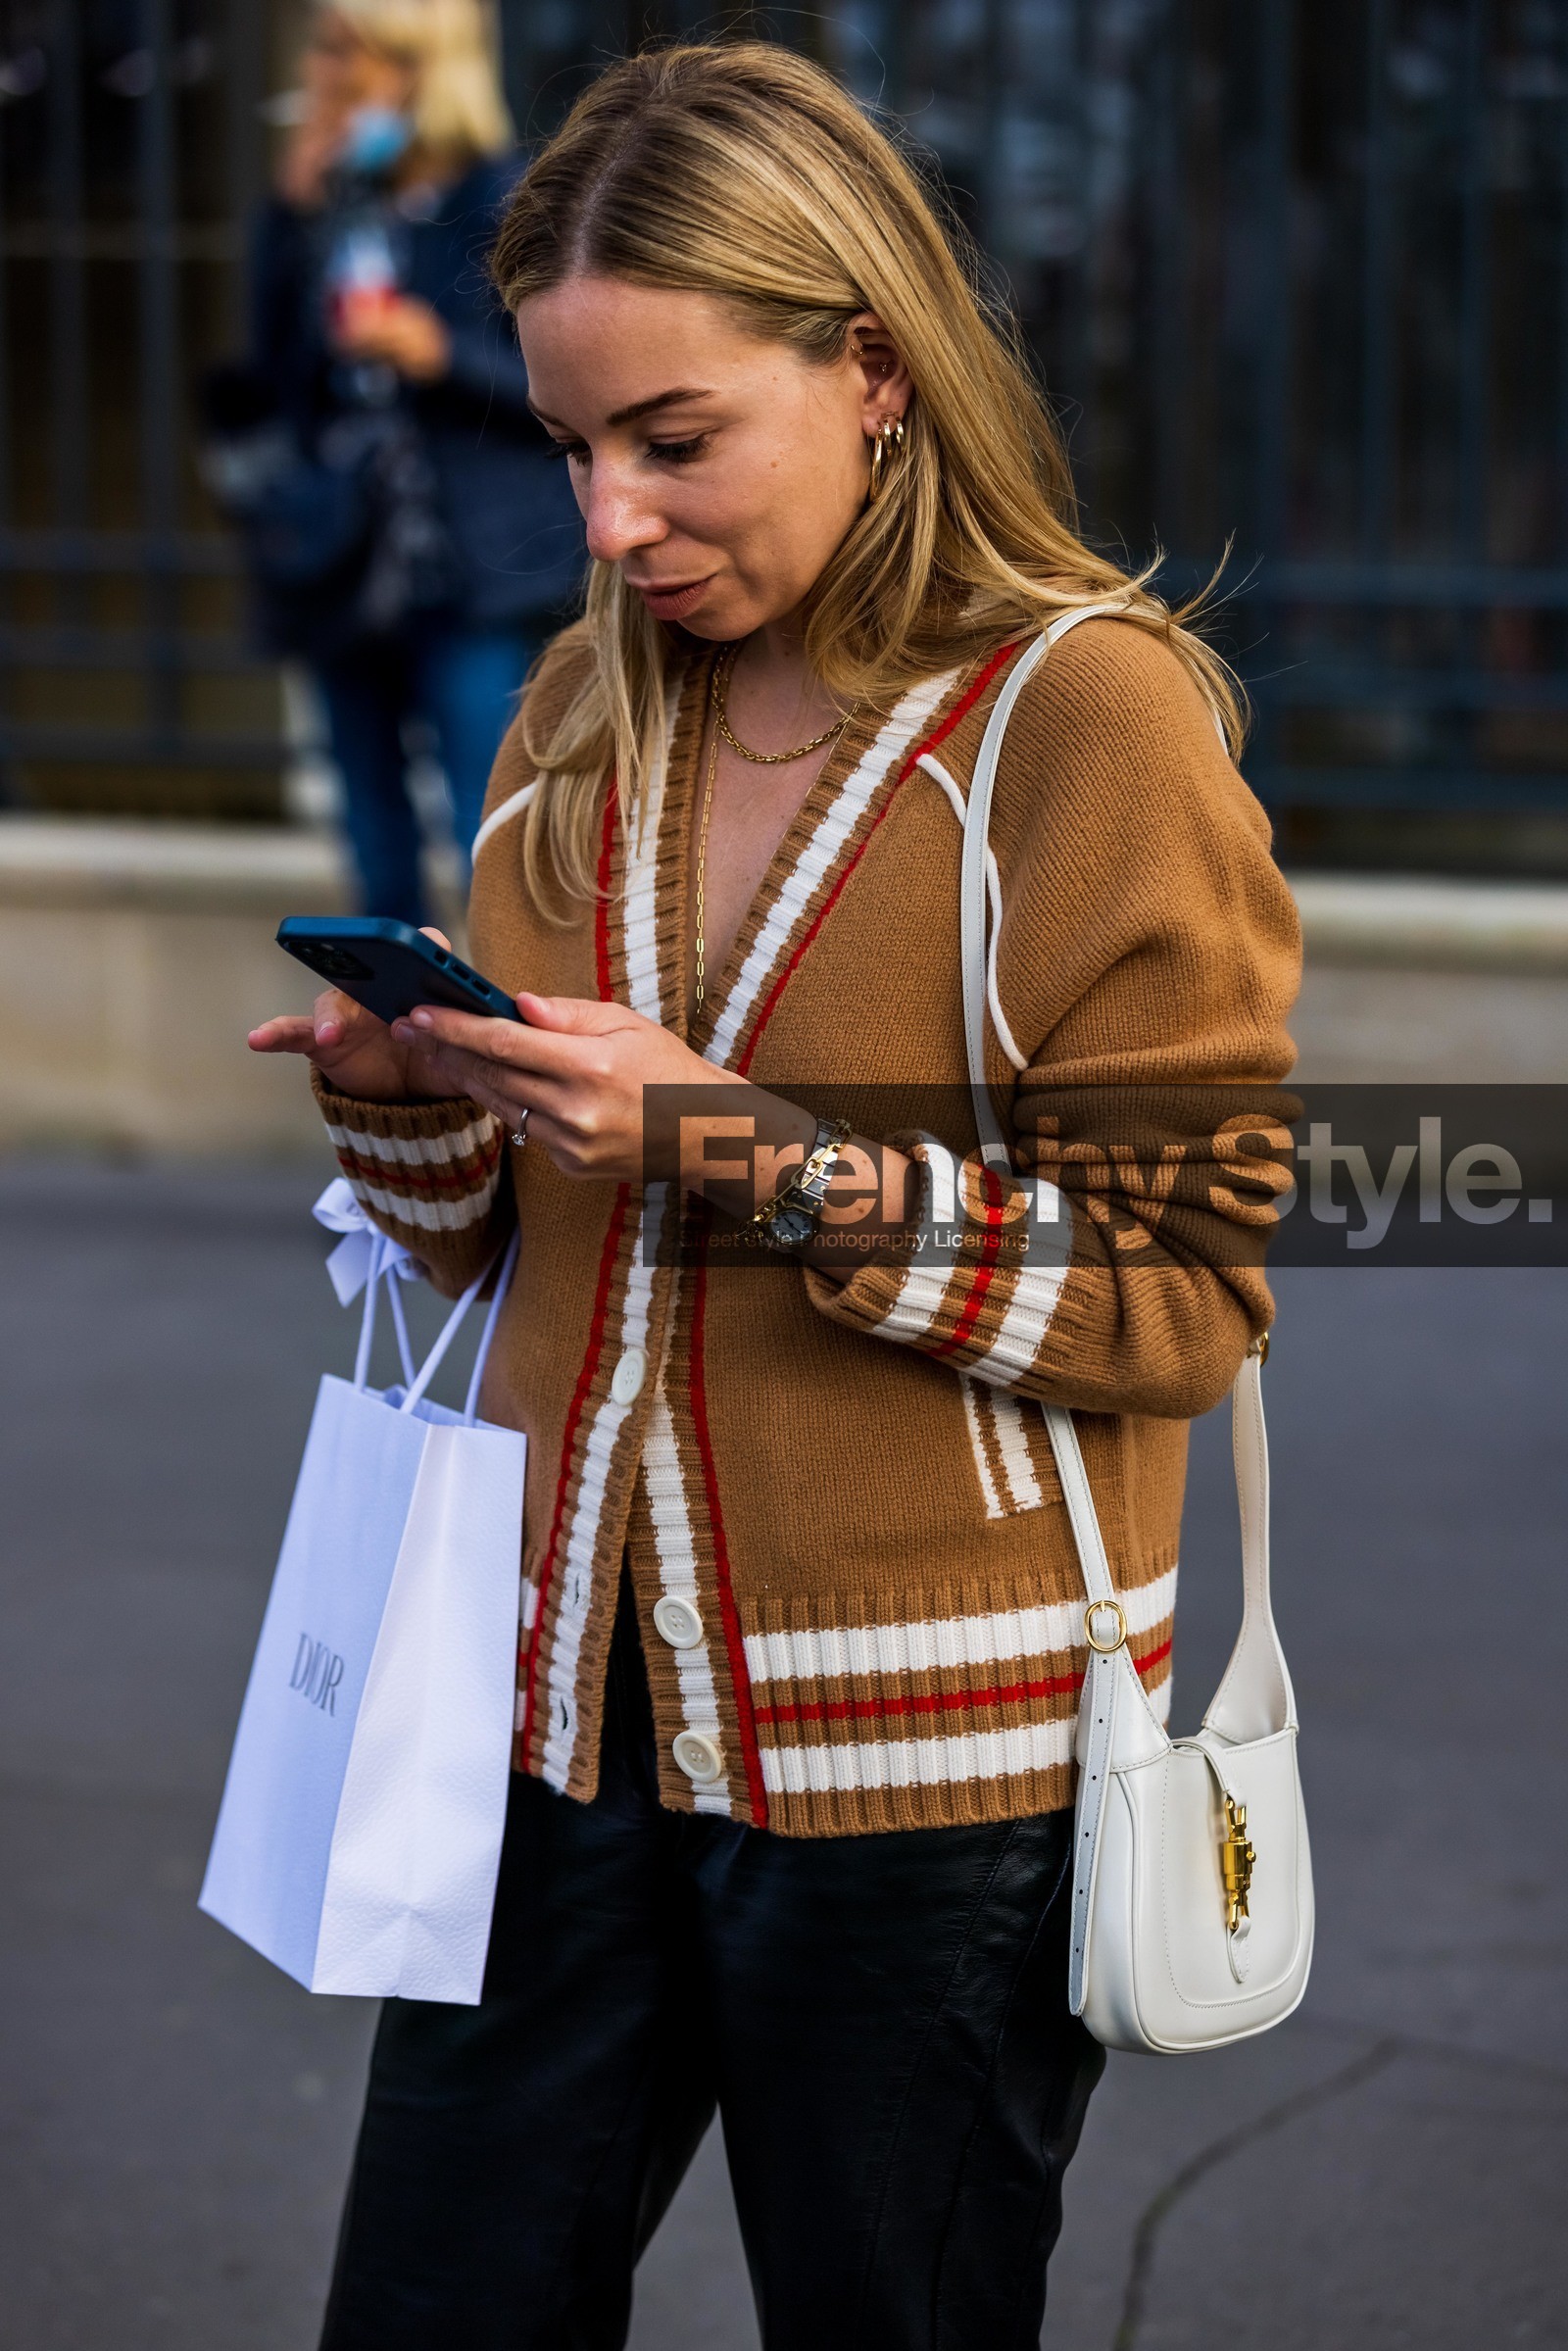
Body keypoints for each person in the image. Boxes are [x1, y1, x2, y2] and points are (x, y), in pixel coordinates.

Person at [249, 41, 1301, 2349]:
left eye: (672, 440)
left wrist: (735, 1137)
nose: (607, 518)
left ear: (876, 376)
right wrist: (410, 1092)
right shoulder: (572, 710)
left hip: (932, 1785)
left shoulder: (1082, 727)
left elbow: (1184, 1292)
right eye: (565, 446)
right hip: (547, 1718)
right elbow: (488, 1248)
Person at [241, 0, 584, 924]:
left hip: (465, 566)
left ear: (412, 67)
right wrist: (286, 212)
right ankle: (395, 1039)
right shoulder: (341, 200)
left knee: (488, 819)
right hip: (345, 559)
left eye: (341, 51)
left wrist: (439, 353)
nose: (321, 73)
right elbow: (273, 373)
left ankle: (504, 1041)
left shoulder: (503, 197)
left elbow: (568, 387)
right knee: (369, 823)